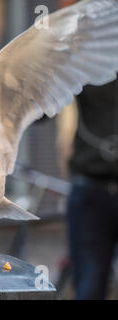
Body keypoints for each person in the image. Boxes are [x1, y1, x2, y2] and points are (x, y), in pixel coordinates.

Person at [61, 79, 118, 299]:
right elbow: (42, 108)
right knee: (89, 287)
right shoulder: (86, 51)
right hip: (91, 190)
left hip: (88, 188)